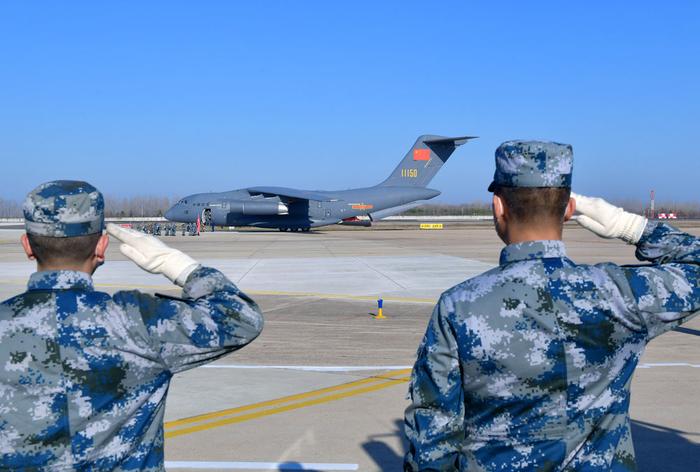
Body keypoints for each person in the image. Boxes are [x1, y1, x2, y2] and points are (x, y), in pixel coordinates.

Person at [404, 141, 700, 470]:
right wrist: (631, 227)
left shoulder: (459, 307)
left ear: (498, 206)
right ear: (570, 209)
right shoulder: (620, 294)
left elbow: (433, 442)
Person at [0, 180, 264, 470]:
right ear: (102, 246)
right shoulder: (137, 322)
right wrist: (177, 265)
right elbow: (240, 317)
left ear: (27, 246)